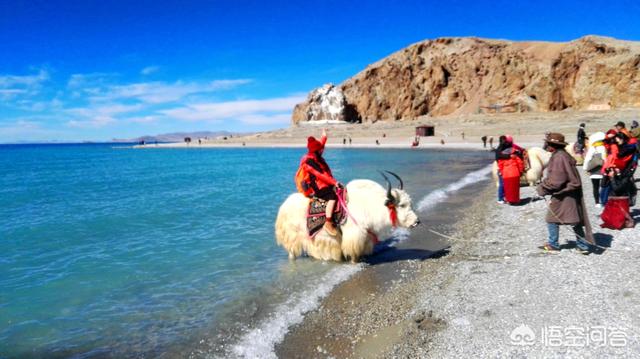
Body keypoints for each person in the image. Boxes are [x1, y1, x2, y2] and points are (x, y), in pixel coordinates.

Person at [537, 132, 594, 254]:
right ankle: (583, 245)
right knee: (574, 219)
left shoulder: (558, 157)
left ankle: (554, 245)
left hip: (564, 193)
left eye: (548, 143)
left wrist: (542, 189)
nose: (546, 146)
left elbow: (556, 181)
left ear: (552, 145)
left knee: (551, 218)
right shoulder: (562, 155)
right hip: (570, 192)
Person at [299, 129, 341, 235]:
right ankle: (328, 222)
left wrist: (324, 136)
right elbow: (321, 175)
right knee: (333, 197)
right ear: (316, 150)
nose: (323, 150)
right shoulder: (310, 162)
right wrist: (334, 182)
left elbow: (321, 144)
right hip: (317, 186)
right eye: (321, 149)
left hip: (323, 183)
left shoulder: (315, 154)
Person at [582, 132, 606, 207]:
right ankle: (604, 200)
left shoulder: (593, 148)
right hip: (603, 170)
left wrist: (585, 168)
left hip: (594, 170)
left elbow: (587, 159)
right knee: (604, 186)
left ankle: (597, 202)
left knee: (595, 187)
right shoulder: (605, 147)